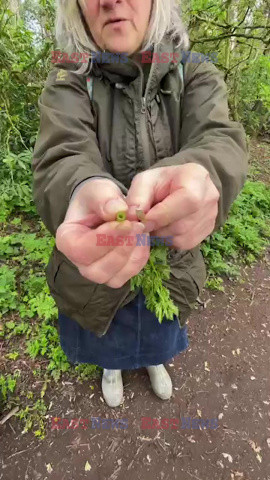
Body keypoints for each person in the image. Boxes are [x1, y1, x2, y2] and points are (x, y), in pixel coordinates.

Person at [32, 0, 248, 407]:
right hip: (95, 278)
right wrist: (81, 188)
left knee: (158, 326)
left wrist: (207, 172)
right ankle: (111, 368)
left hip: (171, 268)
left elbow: (219, 137)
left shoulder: (194, 70)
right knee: (107, 331)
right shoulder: (69, 78)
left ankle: (153, 361)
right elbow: (61, 153)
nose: (110, 1)